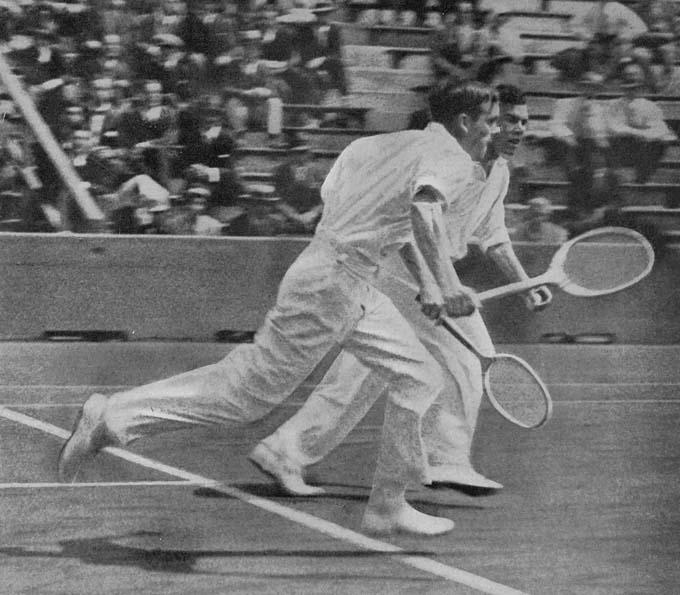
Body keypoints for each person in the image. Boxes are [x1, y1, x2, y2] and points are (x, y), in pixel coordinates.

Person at [58, 80, 500, 537]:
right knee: (244, 397)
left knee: (418, 377)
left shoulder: (374, 146)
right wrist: (448, 283)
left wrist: (428, 283)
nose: (495, 130)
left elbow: (391, 222)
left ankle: (388, 503)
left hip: (344, 276)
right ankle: (113, 417)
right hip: (331, 286)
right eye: (491, 121)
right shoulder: (454, 158)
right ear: (465, 122)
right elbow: (425, 213)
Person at [249, 84, 553, 496]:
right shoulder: (450, 162)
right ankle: (447, 459)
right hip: (405, 271)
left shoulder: (497, 172)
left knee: (363, 374)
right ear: (480, 122)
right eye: (506, 120)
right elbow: (415, 221)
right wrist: (439, 284)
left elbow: (493, 235)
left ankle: (285, 451)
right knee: (469, 355)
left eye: (523, 122)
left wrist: (523, 285)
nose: (516, 129)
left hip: (408, 275)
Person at [606, 59, 677, 183]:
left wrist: (636, 132)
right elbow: (614, 128)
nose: (631, 89)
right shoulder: (613, 105)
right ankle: (620, 177)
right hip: (621, 150)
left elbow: (660, 131)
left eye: (635, 86)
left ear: (641, 85)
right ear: (622, 85)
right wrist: (641, 132)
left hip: (642, 151)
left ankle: (640, 179)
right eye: (628, 85)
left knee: (658, 143)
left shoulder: (651, 106)